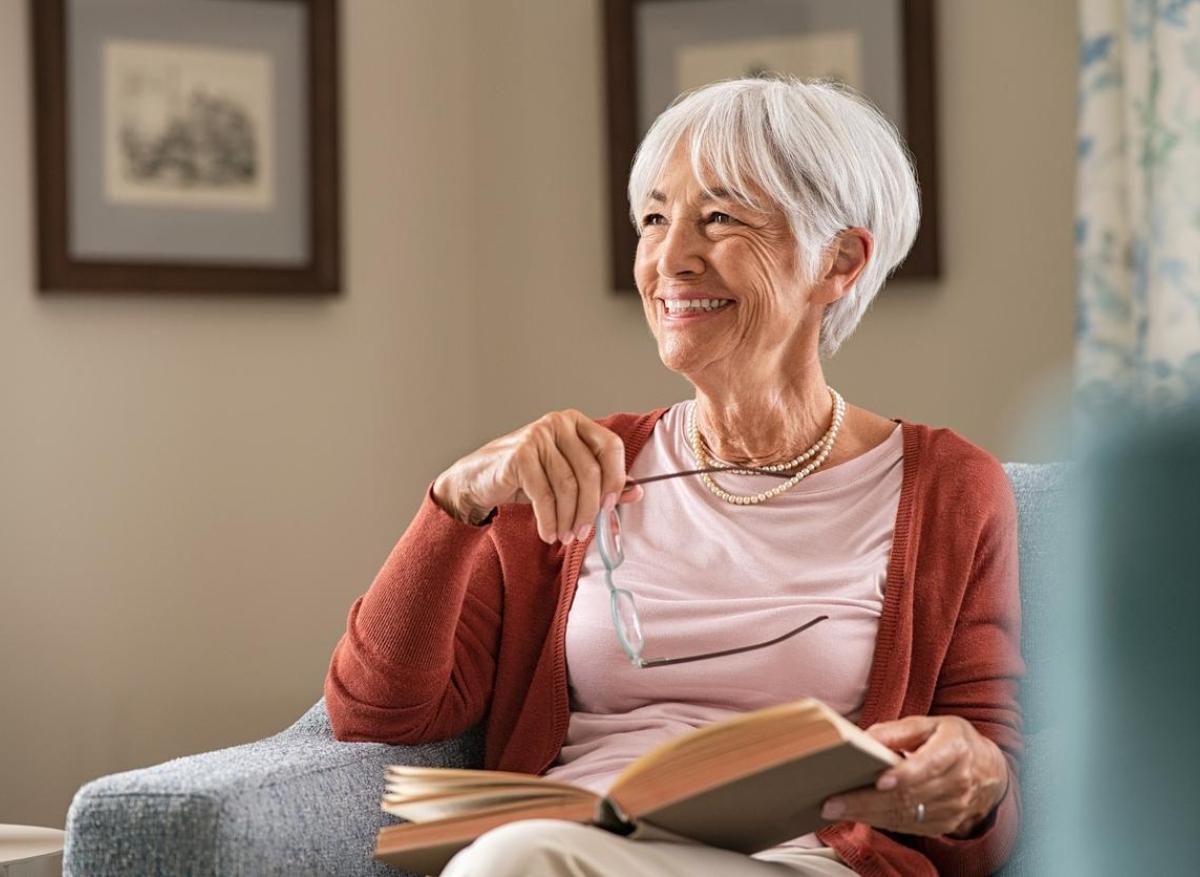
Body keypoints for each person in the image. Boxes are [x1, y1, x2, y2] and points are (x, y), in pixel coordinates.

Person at [324, 76, 1022, 877]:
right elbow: (377, 711)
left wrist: (979, 780)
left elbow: (987, 810)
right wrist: (457, 502)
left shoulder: (949, 489)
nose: (669, 259)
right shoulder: (572, 471)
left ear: (840, 260)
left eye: (719, 218)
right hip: (576, 845)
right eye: (654, 219)